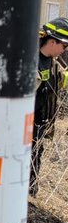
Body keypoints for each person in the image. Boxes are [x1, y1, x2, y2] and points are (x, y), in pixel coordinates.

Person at [31, 17, 68, 195]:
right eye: (64, 46)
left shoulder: (52, 63)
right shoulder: (28, 61)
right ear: (52, 41)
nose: (65, 50)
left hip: (40, 124)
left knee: (35, 157)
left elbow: (60, 80)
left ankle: (31, 191)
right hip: (23, 125)